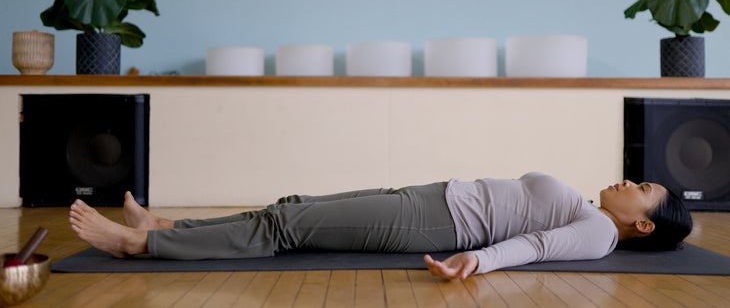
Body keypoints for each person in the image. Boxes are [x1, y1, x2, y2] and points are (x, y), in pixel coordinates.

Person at [68, 172, 692, 280]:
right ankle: (171, 223)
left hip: (431, 221)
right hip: (432, 198)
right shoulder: (595, 212)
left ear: (642, 226)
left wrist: (476, 262)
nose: (629, 183)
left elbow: (531, 246)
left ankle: (137, 243)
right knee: (293, 205)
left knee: (287, 228)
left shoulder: (598, 234)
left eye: (643, 190)